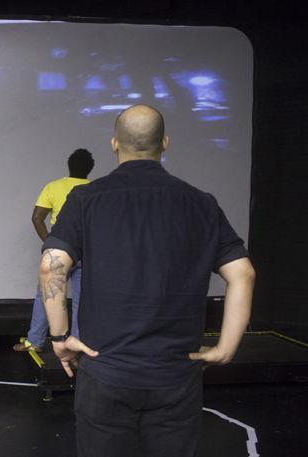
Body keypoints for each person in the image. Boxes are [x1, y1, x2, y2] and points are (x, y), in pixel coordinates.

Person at [39, 104, 255, 457]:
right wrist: (227, 347)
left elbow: (51, 266)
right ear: (165, 143)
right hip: (175, 374)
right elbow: (243, 273)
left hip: (105, 370)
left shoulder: (85, 199)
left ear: (113, 144)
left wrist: (61, 337)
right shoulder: (201, 203)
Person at [13, 149, 94, 352]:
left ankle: (35, 342)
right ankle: (77, 343)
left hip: (61, 249)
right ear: (90, 169)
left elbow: (37, 217)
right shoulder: (94, 189)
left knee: (45, 295)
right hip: (87, 251)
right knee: (81, 299)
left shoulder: (54, 186)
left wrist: (49, 241)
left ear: (69, 166)